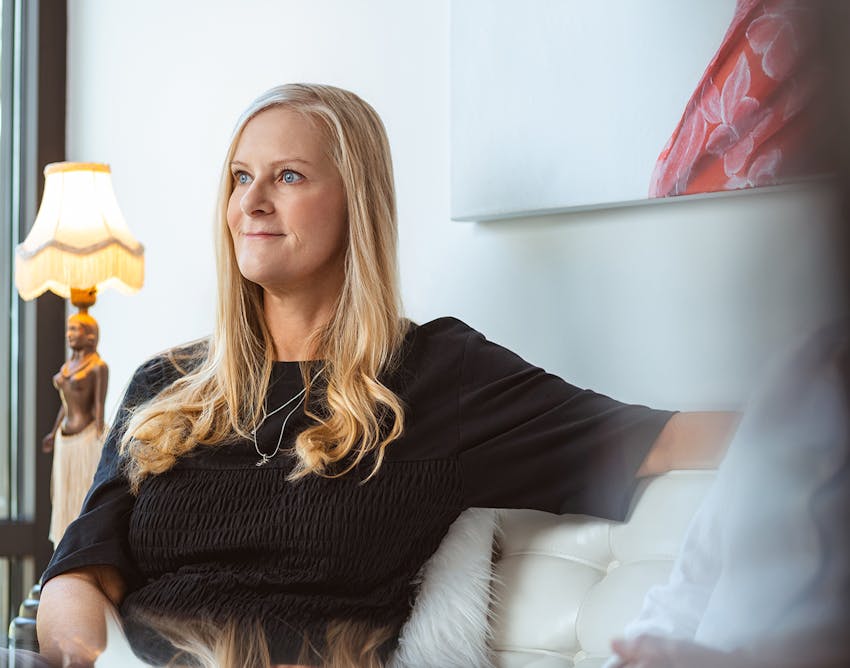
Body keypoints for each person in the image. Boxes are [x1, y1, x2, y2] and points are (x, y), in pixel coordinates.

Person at [34, 83, 736, 668]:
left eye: (289, 176)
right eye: (241, 177)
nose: (252, 202)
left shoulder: (438, 377)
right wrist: (90, 660)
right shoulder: (167, 384)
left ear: (356, 203)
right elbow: (80, 572)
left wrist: (813, 400)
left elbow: (662, 440)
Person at [42, 311, 108, 545]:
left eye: (75, 329)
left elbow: (99, 406)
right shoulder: (68, 366)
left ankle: (81, 548)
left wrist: (102, 437)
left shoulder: (98, 367)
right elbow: (65, 404)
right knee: (63, 500)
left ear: (91, 336)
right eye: (68, 329)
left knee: (82, 496)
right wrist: (53, 431)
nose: (69, 334)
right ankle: (62, 550)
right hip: (64, 440)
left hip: (86, 439)